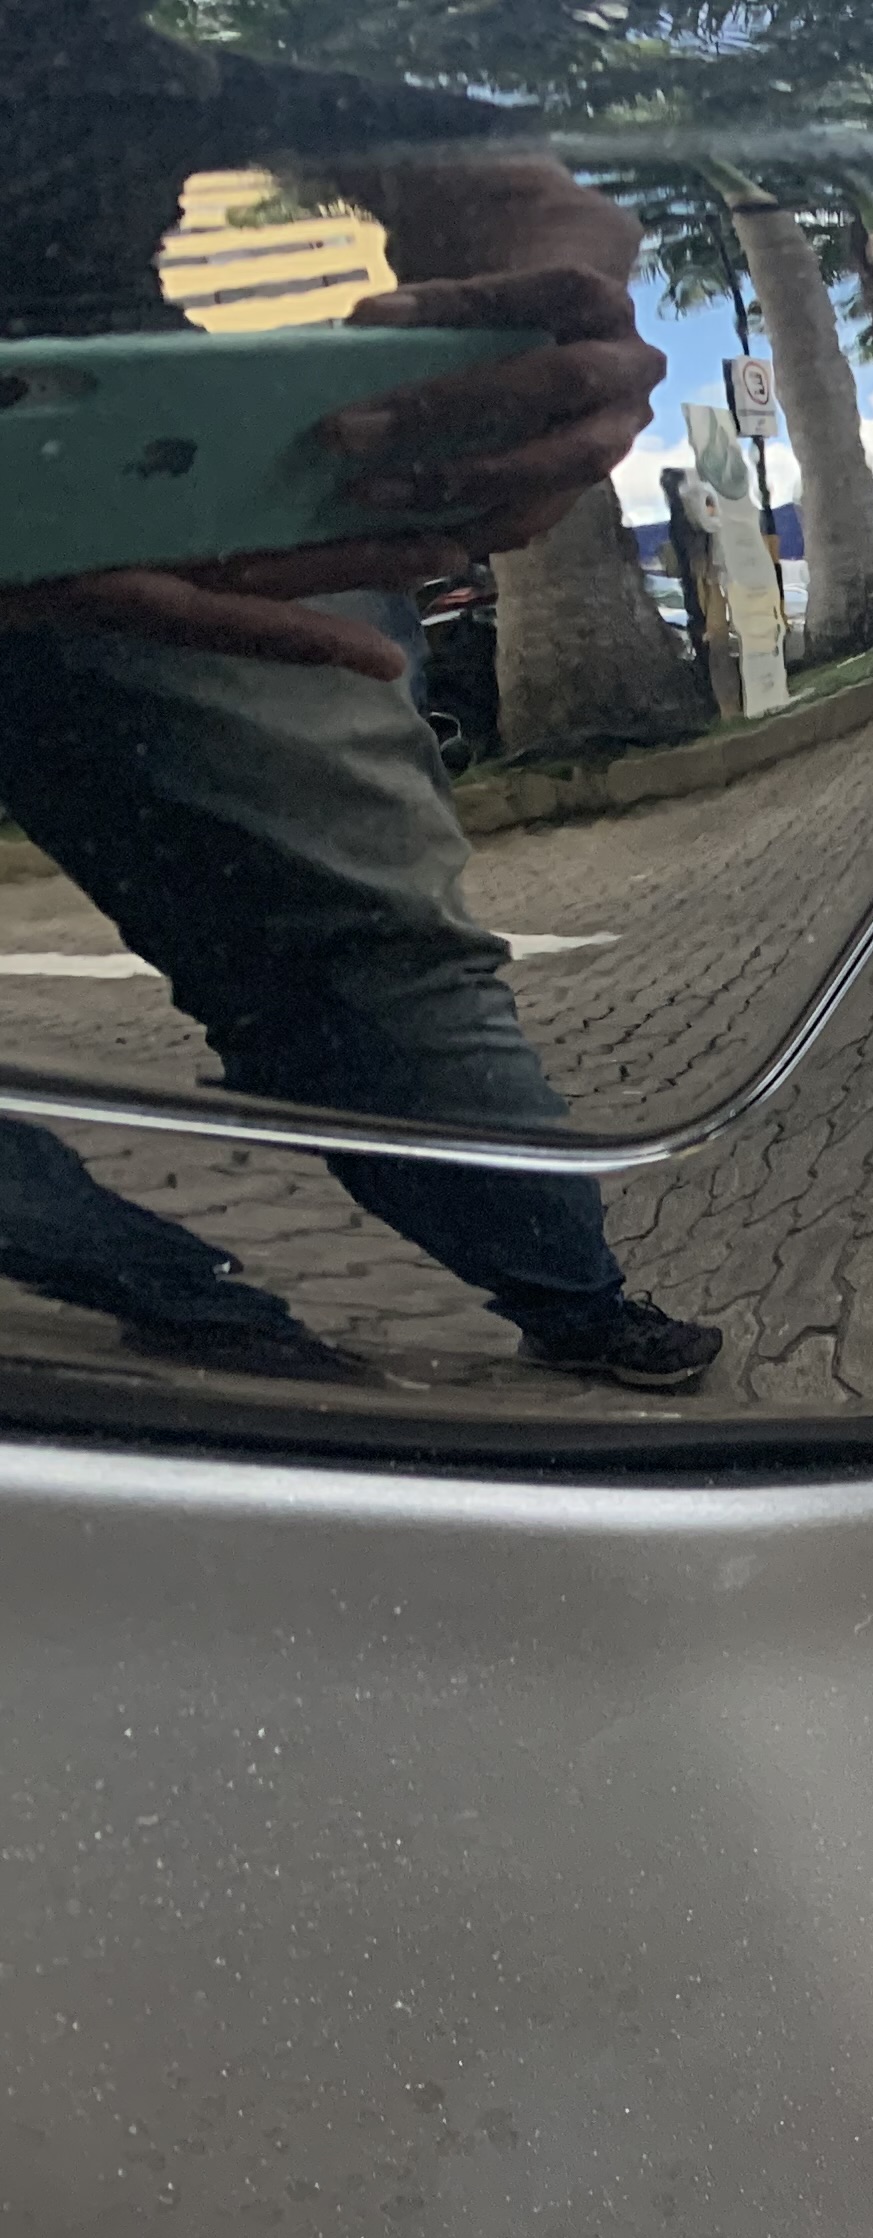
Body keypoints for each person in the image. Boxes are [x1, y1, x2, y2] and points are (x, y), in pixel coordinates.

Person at [0, 0, 720, 1390]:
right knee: (361, 964)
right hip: (159, 485)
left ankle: (573, 1300)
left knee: (364, 961)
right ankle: (185, 1302)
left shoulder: (87, 52)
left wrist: (535, 246)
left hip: (142, 484)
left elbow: (440, 160)